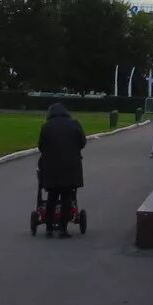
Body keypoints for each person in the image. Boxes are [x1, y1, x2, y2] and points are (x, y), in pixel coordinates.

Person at [37, 102, 86, 238]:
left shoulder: (46, 127)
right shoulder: (75, 124)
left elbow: (41, 146)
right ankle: (63, 229)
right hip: (71, 167)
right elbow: (82, 142)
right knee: (67, 197)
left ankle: (49, 228)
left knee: (52, 197)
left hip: (51, 168)